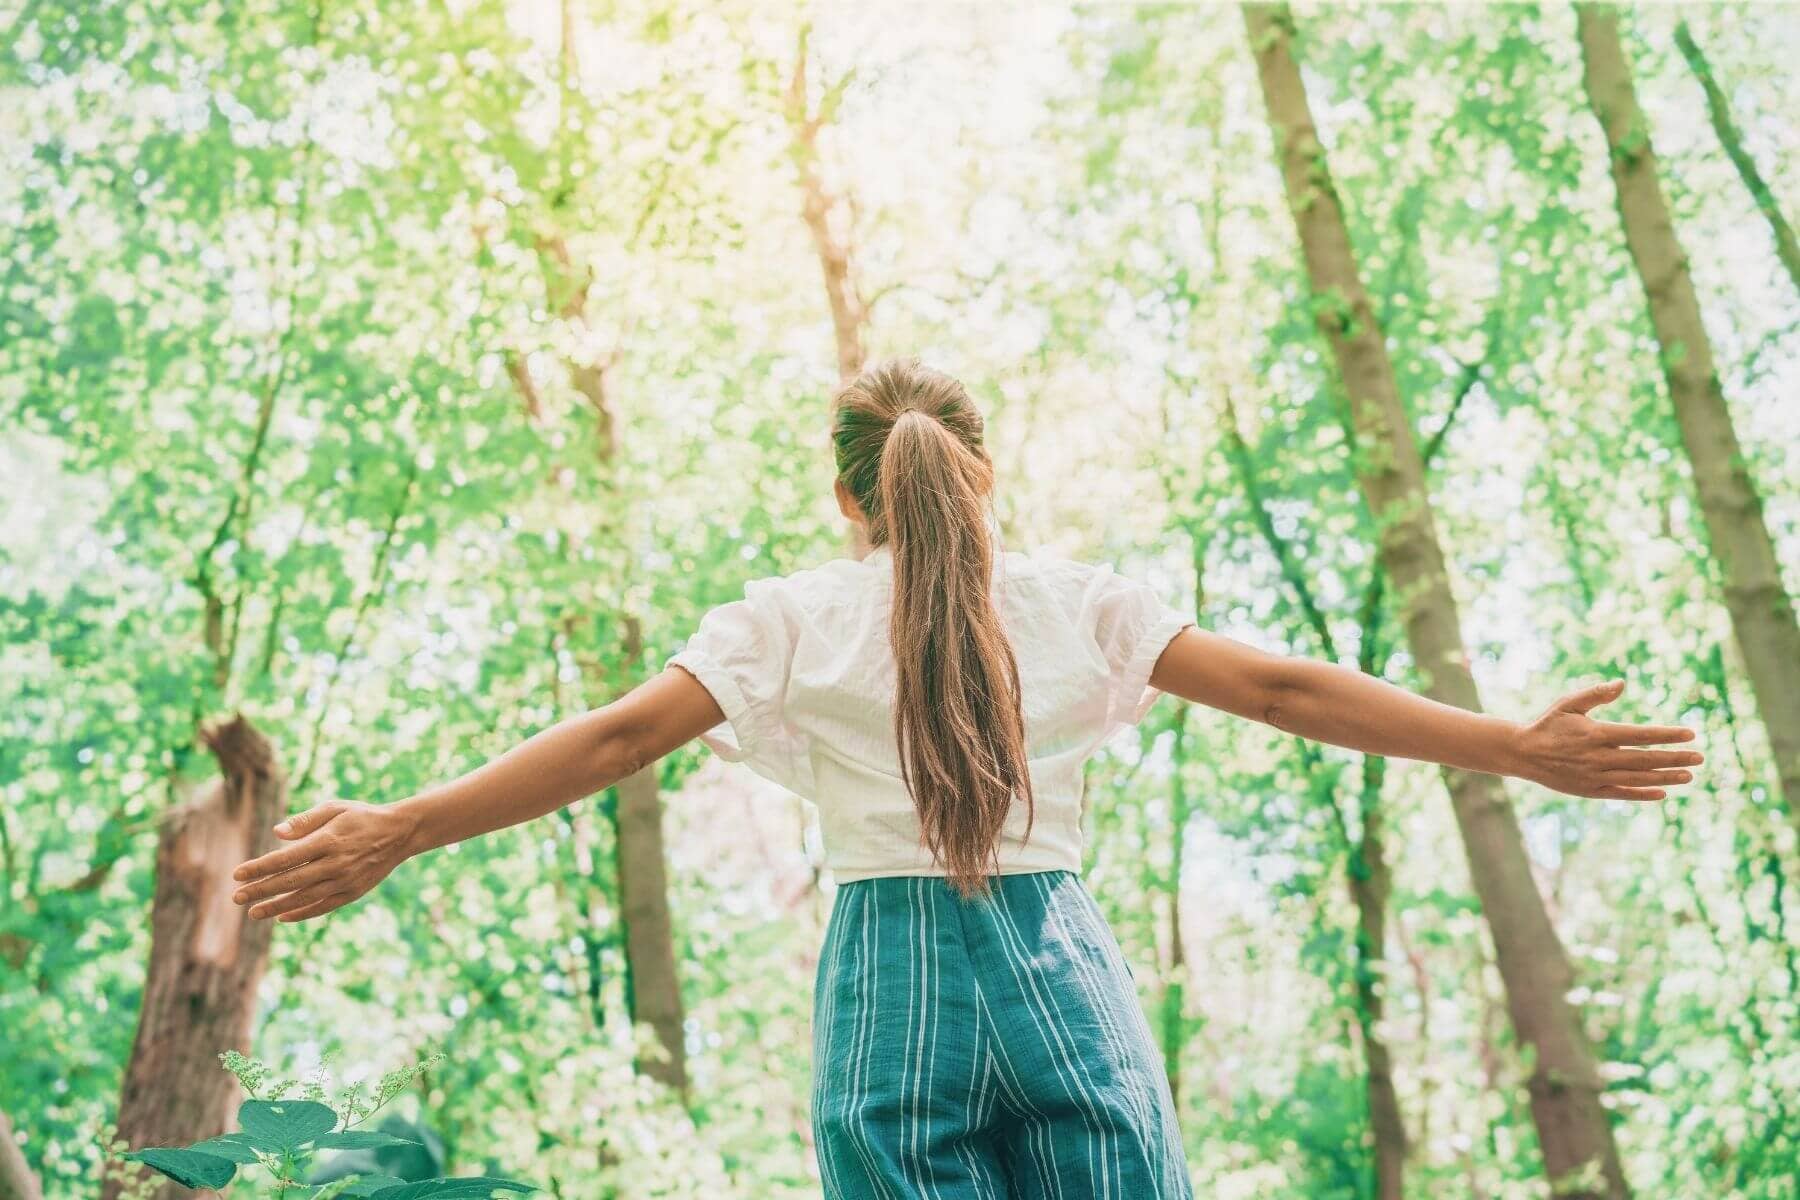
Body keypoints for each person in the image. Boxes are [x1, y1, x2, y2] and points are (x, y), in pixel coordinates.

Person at [231, 358, 1703, 1198]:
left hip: (889, 983)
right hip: (1062, 967)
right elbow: (1282, 687)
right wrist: (1508, 741)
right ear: (979, 475)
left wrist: (406, 827)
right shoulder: (1078, 602)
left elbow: (618, 741)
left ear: (846, 497)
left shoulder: (787, 616)